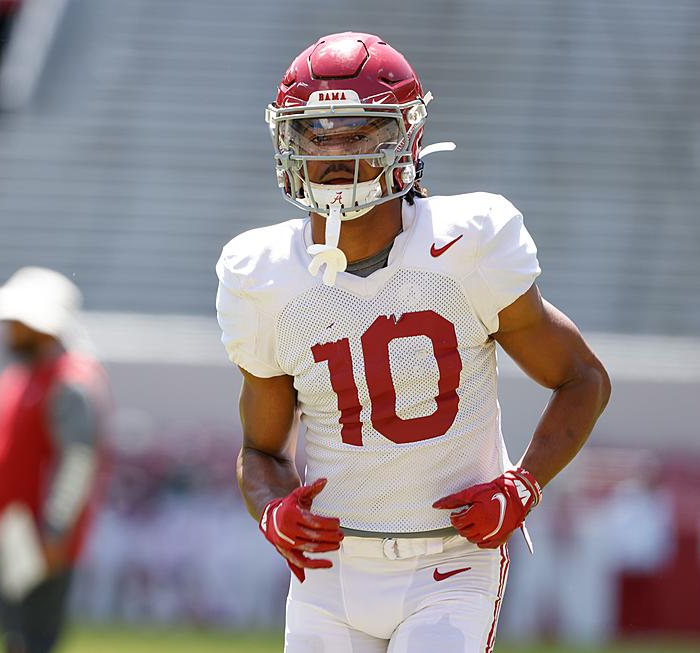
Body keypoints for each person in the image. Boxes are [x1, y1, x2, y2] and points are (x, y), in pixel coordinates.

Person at [215, 32, 611, 652]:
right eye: (315, 134)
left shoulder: (466, 246)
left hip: (450, 564)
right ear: (286, 141)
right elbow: (259, 450)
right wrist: (273, 509)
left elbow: (582, 378)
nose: (335, 155)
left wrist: (524, 484)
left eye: (359, 133)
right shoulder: (264, 275)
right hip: (330, 572)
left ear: (406, 136)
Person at [0, 267, 111, 653]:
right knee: (13, 639)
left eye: (17, 322)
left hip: (37, 536)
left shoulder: (70, 381)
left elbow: (78, 462)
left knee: (32, 640)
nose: (8, 330)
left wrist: (55, 530)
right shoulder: (16, 378)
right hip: (9, 532)